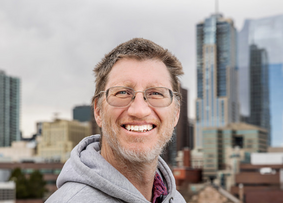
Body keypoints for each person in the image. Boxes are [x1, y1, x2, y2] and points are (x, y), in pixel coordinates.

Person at [46, 38, 186, 203]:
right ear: (98, 111)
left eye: (156, 93)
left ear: (176, 113)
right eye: (122, 93)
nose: (139, 111)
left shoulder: (176, 199)